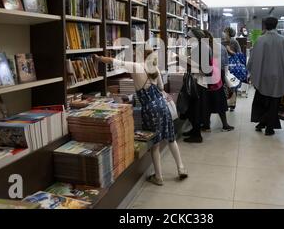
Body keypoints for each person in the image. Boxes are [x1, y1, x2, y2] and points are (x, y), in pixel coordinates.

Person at [94, 50, 188, 185]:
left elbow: (113, 61)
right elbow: (161, 87)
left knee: (155, 145)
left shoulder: (135, 66)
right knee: (171, 138)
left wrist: (99, 58)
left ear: (141, 56)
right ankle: (181, 168)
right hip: (162, 105)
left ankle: (159, 177)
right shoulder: (154, 68)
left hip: (150, 109)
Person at [247, 17, 284, 136]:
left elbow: (253, 59)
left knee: (262, 100)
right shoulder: (283, 40)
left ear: (265, 26)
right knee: (274, 102)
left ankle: (262, 122)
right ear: (276, 25)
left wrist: (251, 73)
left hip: (263, 76)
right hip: (279, 76)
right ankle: (269, 127)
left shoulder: (260, 40)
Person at [180, 28, 213, 143]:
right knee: (194, 108)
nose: (188, 40)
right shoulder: (202, 47)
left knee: (196, 109)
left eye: (189, 37)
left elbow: (205, 69)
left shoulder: (201, 48)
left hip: (198, 83)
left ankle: (197, 135)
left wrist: (187, 62)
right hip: (199, 82)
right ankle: (194, 130)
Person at [202, 30, 235, 132]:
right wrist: (224, 77)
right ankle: (225, 124)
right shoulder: (221, 47)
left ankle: (207, 126)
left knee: (206, 101)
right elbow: (226, 63)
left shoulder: (203, 49)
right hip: (218, 76)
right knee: (220, 101)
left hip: (207, 77)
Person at [223, 27, 242, 111]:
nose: (224, 33)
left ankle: (232, 104)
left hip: (233, 66)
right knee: (225, 85)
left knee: (232, 85)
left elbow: (239, 54)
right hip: (224, 66)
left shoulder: (234, 42)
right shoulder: (222, 42)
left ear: (229, 33)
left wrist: (230, 51)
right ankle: (226, 103)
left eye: (225, 32)